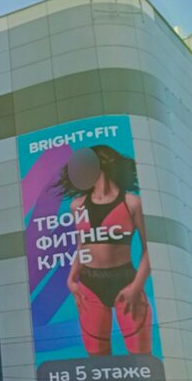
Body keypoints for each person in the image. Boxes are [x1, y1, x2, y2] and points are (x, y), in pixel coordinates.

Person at [54, 145, 152, 356]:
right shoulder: (77, 206)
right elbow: (82, 246)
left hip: (126, 282)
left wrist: (137, 286)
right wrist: (71, 279)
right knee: (97, 358)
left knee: (141, 357)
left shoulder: (131, 203)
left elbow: (149, 249)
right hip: (89, 284)